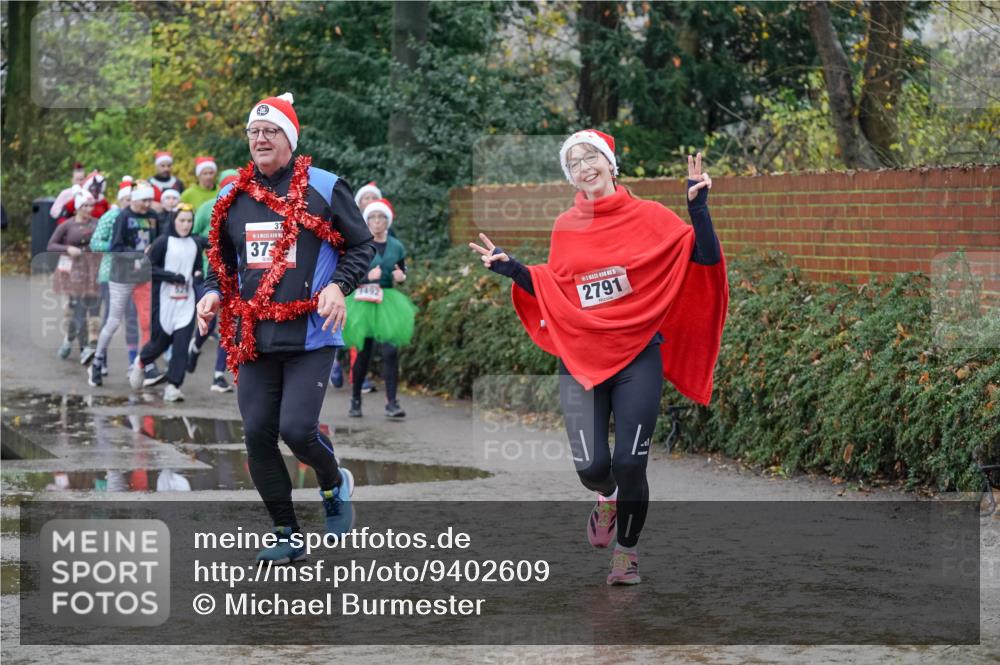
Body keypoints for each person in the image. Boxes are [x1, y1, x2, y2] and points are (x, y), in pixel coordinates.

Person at [470, 131, 729, 586]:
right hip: (580, 358)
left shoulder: (650, 217)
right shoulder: (566, 225)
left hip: (638, 355)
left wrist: (698, 208)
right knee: (593, 468)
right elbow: (556, 289)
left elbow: (704, 257)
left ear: (611, 163)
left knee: (631, 463)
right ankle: (605, 496)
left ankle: (626, 553)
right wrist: (511, 267)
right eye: (575, 163)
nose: (585, 167)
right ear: (570, 176)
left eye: (592, 157)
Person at [197, 92, 376, 563]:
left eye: (271, 131)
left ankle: (334, 483)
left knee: (297, 430)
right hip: (254, 334)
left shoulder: (324, 186)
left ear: (290, 138)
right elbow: (219, 264)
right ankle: (285, 532)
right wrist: (211, 293)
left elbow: (362, 247)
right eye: (254, 132)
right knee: (257, 433)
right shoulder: (230, 196)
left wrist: (340, 285)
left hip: (312, 333)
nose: (260, 139)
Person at [342, 198, 415, 418]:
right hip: (362, 302)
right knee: (363, 354)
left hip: (387, 302)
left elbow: (402, 271)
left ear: (387, 220)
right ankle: (356, 400)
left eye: (381, 217)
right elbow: (347, 274)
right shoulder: (359, 244)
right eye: (372, 217)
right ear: (366, 221)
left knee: (391, 353)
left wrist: (401, 277)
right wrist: (366, 275)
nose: (376, 222)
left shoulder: (396, 246)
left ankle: (392, 402)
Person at [89, 181, 161, 387]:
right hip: (121, 276)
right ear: (135, 199)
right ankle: (97, 361)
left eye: (150, 200)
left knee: (147, 322)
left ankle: (145, 364)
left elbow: (157, 242)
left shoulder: (153, 217)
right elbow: (116, 247)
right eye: (144, 200)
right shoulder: (123, 217)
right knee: (113, 321)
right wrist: (138, 255)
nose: (148, 204)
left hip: (144, 277)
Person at [130, 203, 204, 402]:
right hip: (163, 302)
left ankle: (173, 386)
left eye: (189, 221)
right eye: (182, 220)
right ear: (173, 220)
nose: (186, 225)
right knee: (159, 344)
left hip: (186, 303)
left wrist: (198, 276)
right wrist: (170, 276)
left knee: (181, 346)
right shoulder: (163, 242)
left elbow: (197, 269)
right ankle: (141, 362)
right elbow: (147, 268)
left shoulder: (195, 244)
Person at [187, 169, 240, 392]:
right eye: (228, 186)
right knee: (209, 321)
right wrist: (213, 244)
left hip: (238, 274)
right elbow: (192, 235)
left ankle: (219, 375)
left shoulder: (248, 207)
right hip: (210, 272)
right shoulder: (208, 207)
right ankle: (195, 347)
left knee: (228, 324)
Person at [333, 181, 383, 391]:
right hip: (347, 287)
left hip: (371, 294)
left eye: (373, 198)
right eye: (365, 198)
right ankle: (333, 364)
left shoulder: (382, 225)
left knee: (359, 337)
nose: (370, 202)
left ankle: (358, 378)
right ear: (358, 202)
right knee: (340, 330)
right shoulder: (348, 222)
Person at [90, 177, 141, 376]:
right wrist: (116, 246)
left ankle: (131, 362)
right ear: (120, 200)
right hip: (110, 272)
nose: (129, 203)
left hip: (134, 274)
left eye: (132, 199)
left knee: (131, 317)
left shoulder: (138, 218)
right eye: (126, 199)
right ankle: (101, 360)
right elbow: (95, 243)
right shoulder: (111, 216)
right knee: (111, 318)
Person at [48, 187, 101, 363]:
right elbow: (51, 245)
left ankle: (86, 347)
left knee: (90, 310)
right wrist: (68, 248)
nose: (89, 209)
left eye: (91, 206)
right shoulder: (67, 225)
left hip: (91, 271)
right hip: (71, 271)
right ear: (78, 207)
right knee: (74, 311)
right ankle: (72, 341)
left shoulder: (97, 223)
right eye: (85, 206)